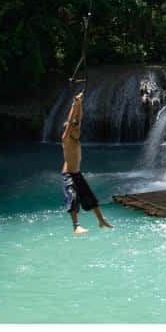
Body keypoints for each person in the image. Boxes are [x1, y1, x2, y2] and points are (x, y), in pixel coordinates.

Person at [61, 92, 114, 234]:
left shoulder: (75, 138)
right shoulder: (66, 138)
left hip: (77, 173)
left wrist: (80, 104)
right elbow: (71, 121)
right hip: (68, 174)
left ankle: (101, 221)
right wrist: (74, 105)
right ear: (70, 131)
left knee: (90, 197)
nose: (79, 131)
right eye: (76, 130)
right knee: (73, 197)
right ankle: (76, 226)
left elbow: (78, 118)